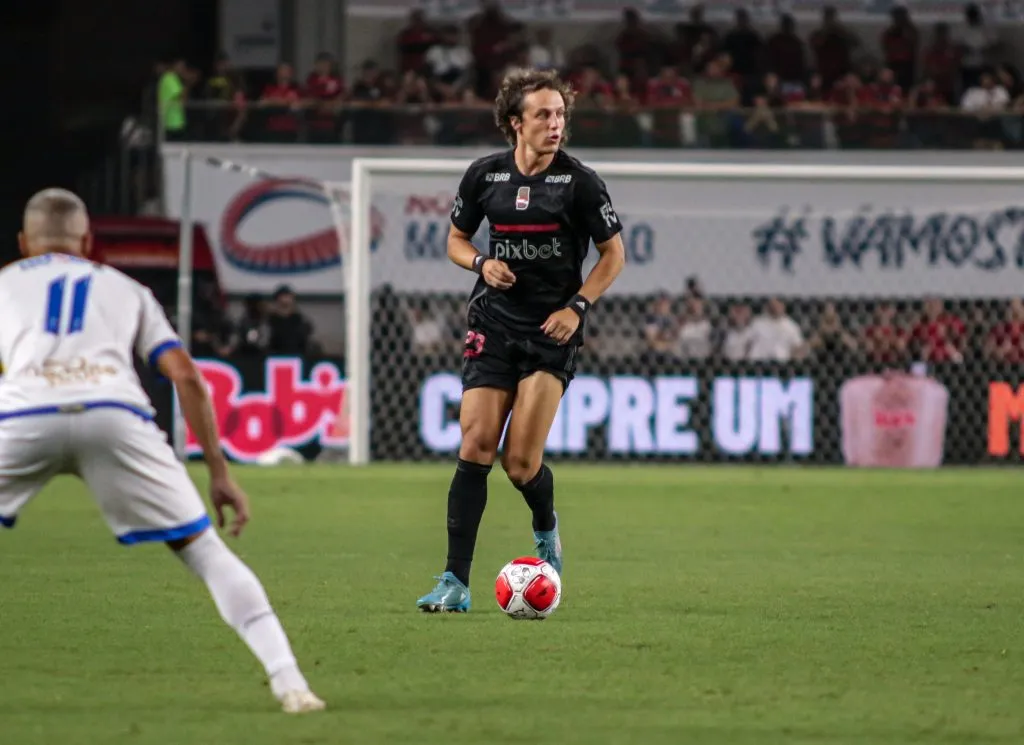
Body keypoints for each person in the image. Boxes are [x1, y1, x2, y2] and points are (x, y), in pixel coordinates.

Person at [0, 189, 324, 714]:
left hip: (22, 416)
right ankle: (291, 685)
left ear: (22, 242)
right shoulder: (125, 288)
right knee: (204, 552)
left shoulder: (5, 283)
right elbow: (186, 376)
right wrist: (219, 473)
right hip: (114, 415)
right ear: (88, 241)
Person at [416, 68, 626, 612]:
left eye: (560, 115)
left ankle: (546, 528)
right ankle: (454, 583)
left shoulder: (580, 183)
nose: (555, 125)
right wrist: (483, 264)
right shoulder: (484, 176)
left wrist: (577, 307)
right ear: (516, 123)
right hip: (494, 324)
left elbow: (614, 255)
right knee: (475, 444)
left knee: (519, 465)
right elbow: (456, 241)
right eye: (543, 115)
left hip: (551, 331)